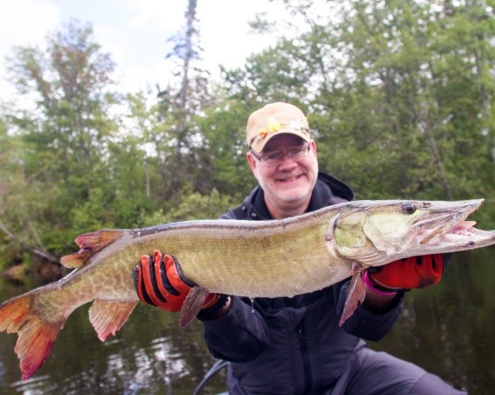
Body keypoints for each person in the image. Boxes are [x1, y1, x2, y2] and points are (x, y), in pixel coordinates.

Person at [133, 102, 467, 394]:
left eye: (296, 149)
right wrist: (213, 306)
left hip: (349, 375)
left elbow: (366, 328)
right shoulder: (226, 231)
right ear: (253, 163)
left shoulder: (347, 221)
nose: (287, 163)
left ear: (313, 151)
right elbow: (242, 347)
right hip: (261, 388)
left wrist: (380, 287)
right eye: (272, 154)